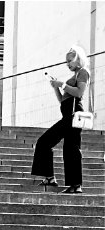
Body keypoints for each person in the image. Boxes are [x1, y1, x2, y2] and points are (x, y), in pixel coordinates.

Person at [31, 45, 90, 194]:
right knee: (70, 149)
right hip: (68, 114)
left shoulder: (82, 73)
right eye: (67, 61)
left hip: (74, 115)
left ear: (78, 60)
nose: (67, 64)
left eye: (70, 61)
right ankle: (74, 185)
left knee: (46, 141)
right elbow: (63, 100)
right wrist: (56, 87)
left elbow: (79, 92)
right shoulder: (74, 75)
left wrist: (62, 84)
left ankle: (55, 179)